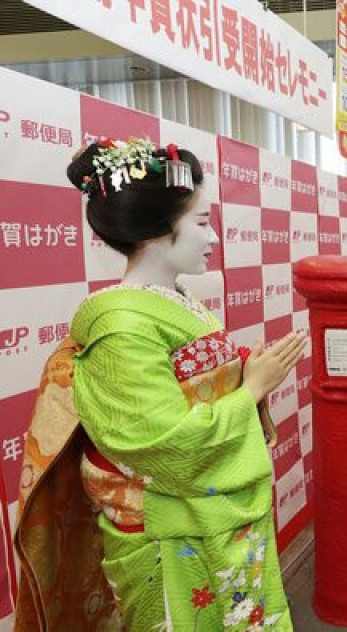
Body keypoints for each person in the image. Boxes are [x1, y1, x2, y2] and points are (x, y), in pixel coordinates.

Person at [16, 138, 305, 630]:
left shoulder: (177, 300)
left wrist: (240, 373)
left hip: (198, 517)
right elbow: (159, 441)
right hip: (162, 530)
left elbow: (200, 387)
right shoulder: (118, 325)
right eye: (201, 222)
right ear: (154, 229)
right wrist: (250, 390)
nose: (213, 238)